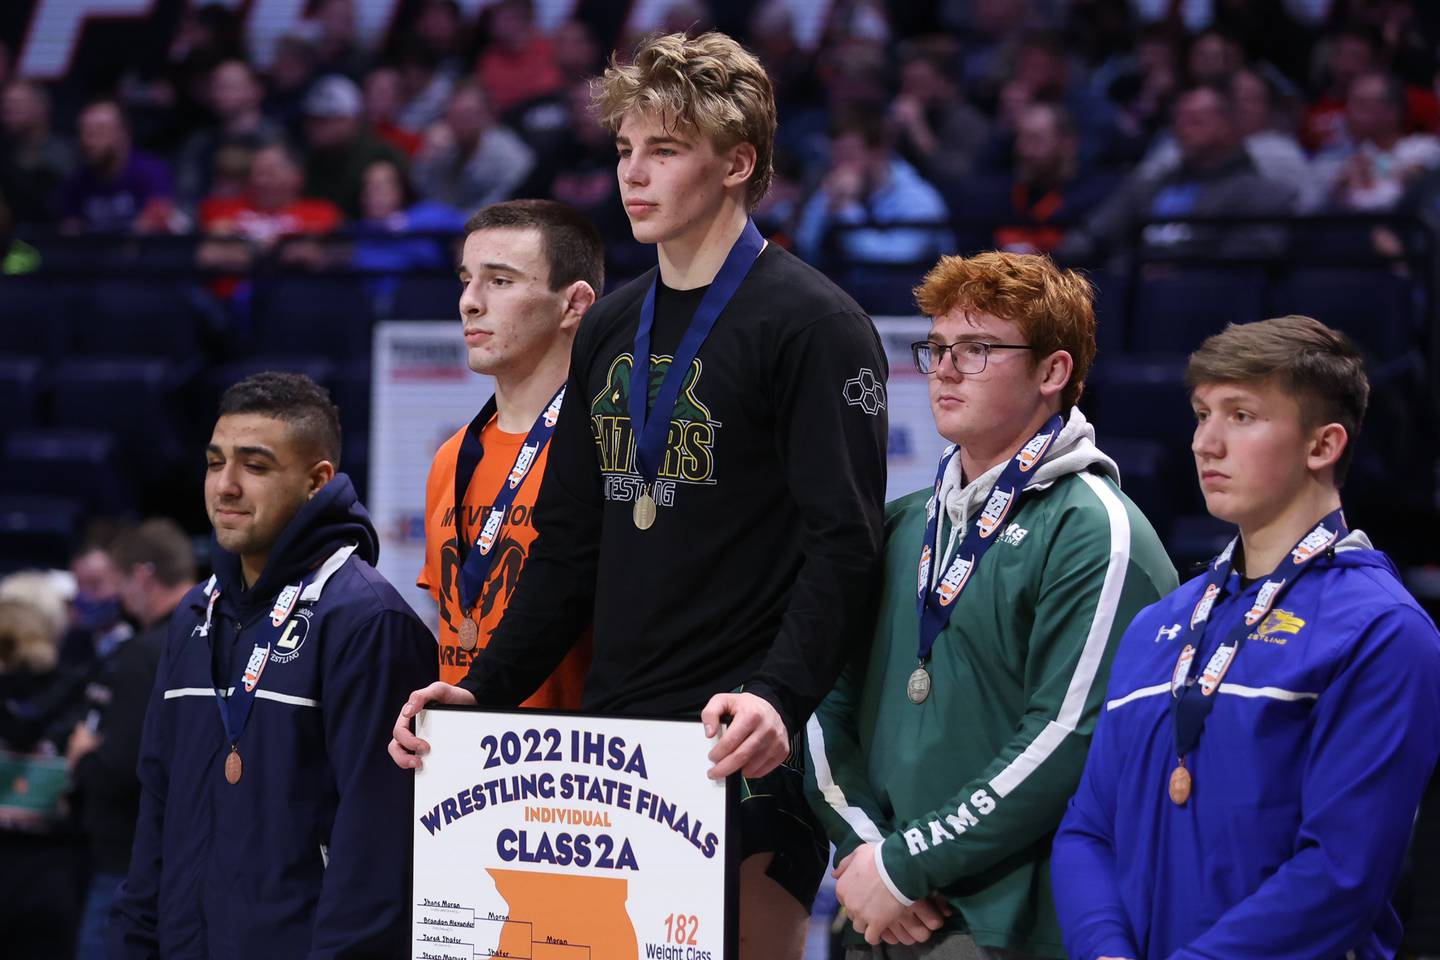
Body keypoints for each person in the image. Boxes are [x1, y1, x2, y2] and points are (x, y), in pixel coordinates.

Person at [390, 31, 890, 960]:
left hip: (742, 741)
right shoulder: (614, 325)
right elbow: (568, 544)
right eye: (625, 149)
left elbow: (845, 542)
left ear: (737, 163)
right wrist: (481, 689)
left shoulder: (816, 325)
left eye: (664, 149)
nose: (634, 173)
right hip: (614, 740)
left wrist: (779, 698)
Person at [805, 251, 1176, 958]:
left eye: (976, 349)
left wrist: (907, 863)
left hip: (1011, 926)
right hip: (877, 911)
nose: (942, 369)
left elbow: (1068, 737)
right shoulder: (903, 522)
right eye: (938, 348)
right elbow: (825, 700)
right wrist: (868, 851)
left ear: (1053, 371)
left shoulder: (1094, 528)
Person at [1052, 315, 1440, 960]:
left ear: (1323, 446)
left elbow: (1342, 873)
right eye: (1203, 413)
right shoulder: (1158, 626)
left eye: (1242, 415)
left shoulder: (1382, 630)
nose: (1206, 443)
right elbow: (1088, 831)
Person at [110, 373, 437, 959]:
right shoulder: (193, 615)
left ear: (317, 482)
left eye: (255, 467)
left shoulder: (366, 621)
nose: (225, 487)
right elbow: (156, 810)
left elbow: (376, 855)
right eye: (215, 463)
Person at [418, 199, 599, 699]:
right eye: (465, 279)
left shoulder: (609, 452)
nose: (469, 302)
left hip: (587, 762)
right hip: (470, 762)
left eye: (499, 281)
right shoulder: (452, 457)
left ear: (574, 304)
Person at [68, 519, 196, 958]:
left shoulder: (142, 654)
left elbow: (121, 769)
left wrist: (80, 757)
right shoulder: (225, 637)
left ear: (142, 575)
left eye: (120, 583)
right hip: (197, 863)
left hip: (129, 866)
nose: (120, 598)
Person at [56, 99, 174, 233]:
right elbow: (70, 237)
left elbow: (151, 229)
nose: (87, 141)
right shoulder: (75, 183)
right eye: (83, 131)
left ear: (123, 134)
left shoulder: (151, 173)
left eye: (98, 131)